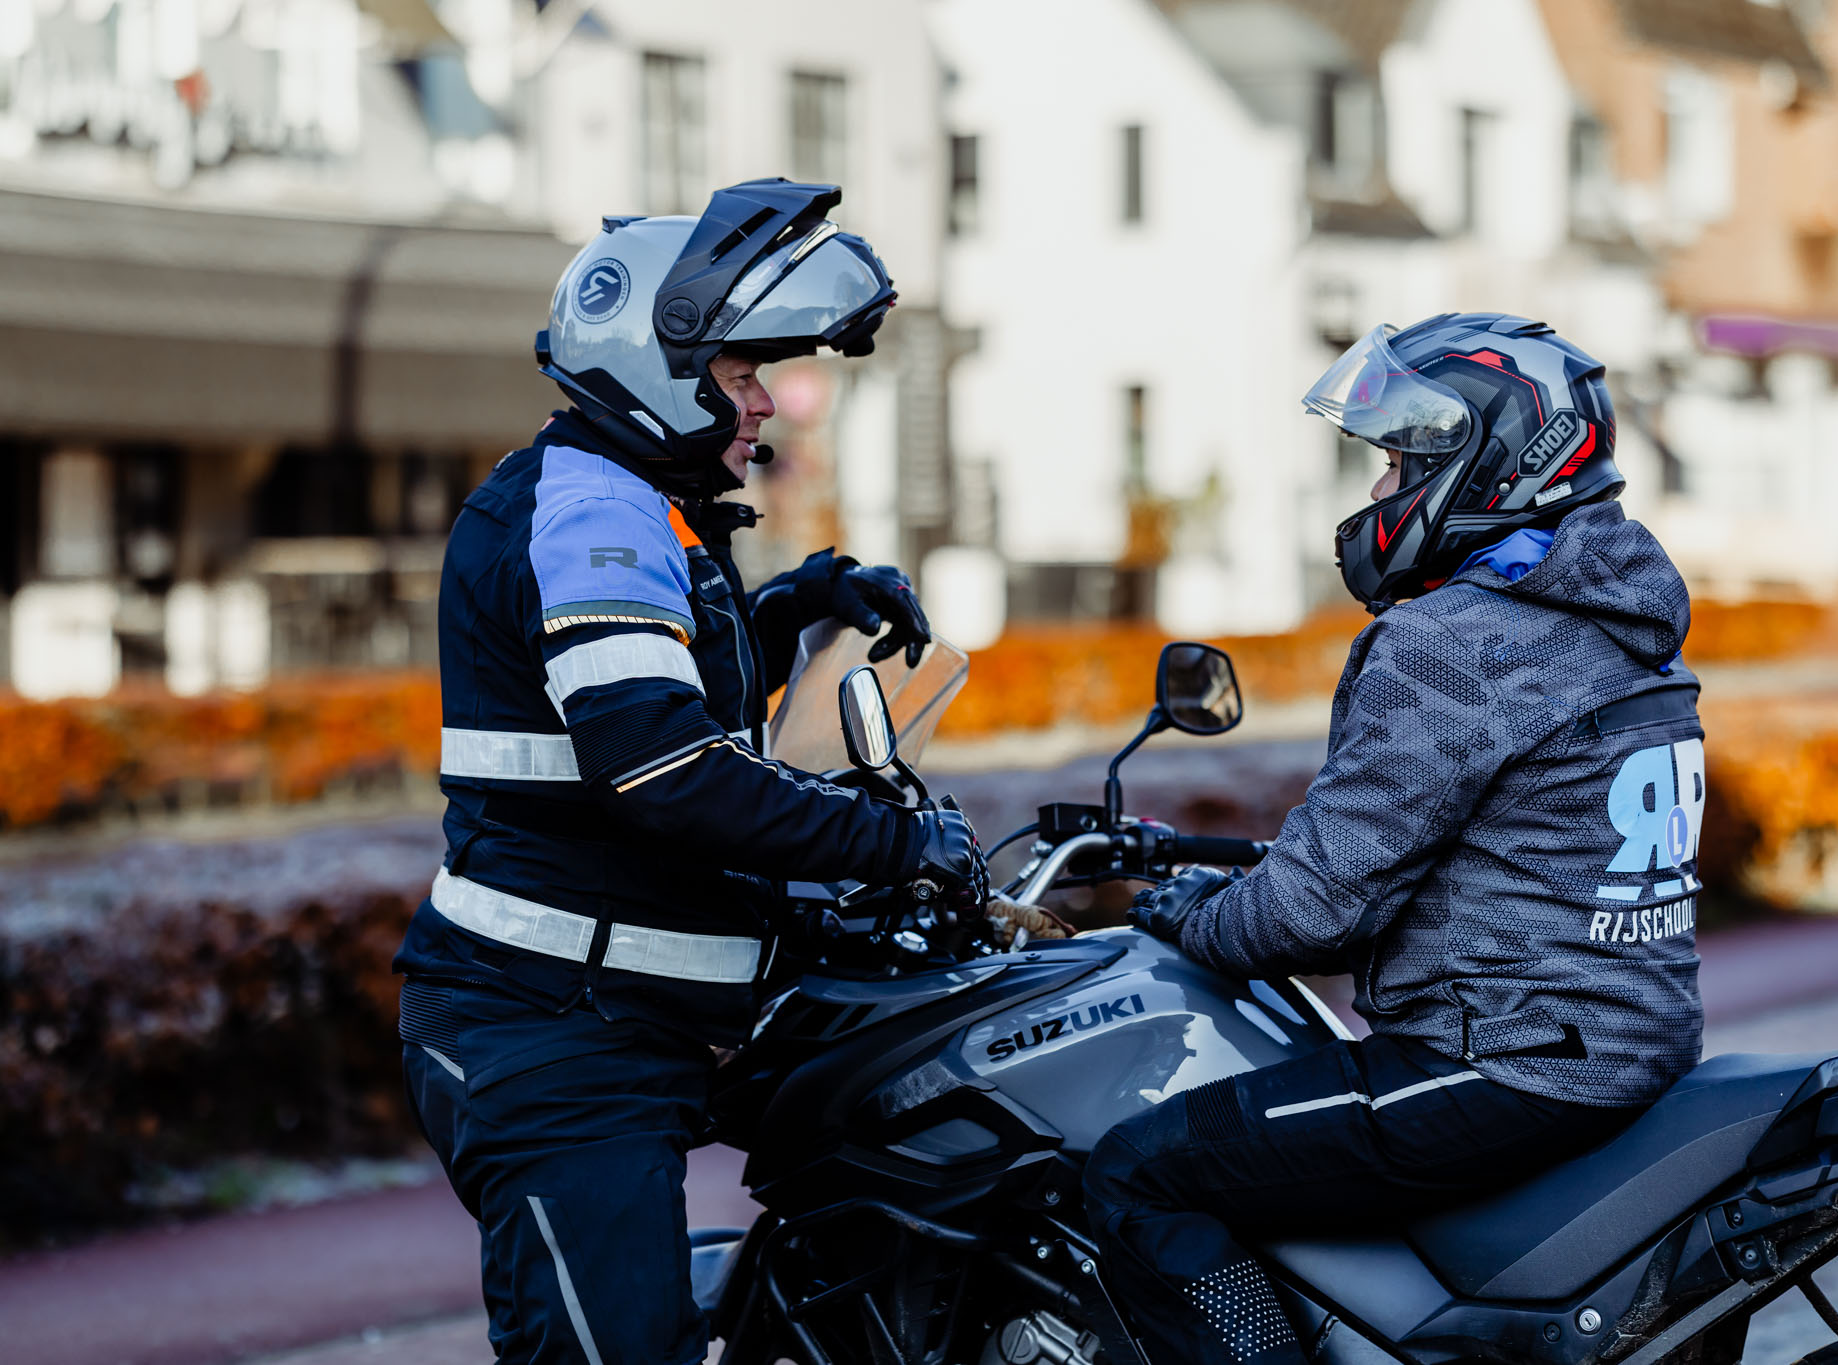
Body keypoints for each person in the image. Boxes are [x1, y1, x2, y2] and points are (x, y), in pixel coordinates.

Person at [393, 179, 987, 1365]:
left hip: (637, 1014)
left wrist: (796, 606)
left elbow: (649, 691)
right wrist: (892, 845)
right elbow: (662, 769)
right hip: (554, 1041)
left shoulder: (639, 509)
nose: (764, 401)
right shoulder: (590, 517)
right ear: (658, 366)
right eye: (739, 373)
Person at [1083, 313, 1707, 1365]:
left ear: (1492, 462)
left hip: (1509, 1062)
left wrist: (1190, 920)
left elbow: (1308, 912)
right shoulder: (1613, 617)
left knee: (1137, 1171)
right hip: (1622, 1040)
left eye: (1396, 463)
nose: (1378, 493)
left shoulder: (1455, 642)